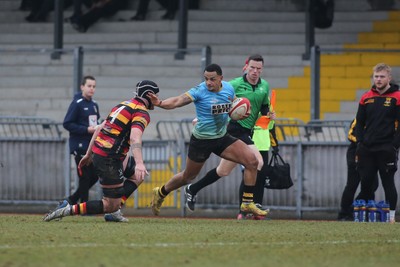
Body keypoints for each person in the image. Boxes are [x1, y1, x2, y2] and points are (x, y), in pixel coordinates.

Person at [147, 63, 268, 217]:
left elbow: (234, 105)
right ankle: (161, 192)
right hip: (201, 141)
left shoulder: (229, 89)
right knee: (188, 177)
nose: (208, 83)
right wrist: (161, 103)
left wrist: (241, 112)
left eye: (212, 79)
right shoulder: (199, 91)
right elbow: (178, 100)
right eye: (206, 79)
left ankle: (247, 203)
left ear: (221, 79)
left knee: (252, 162)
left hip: (222, 137)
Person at [43, 80, 160, 222]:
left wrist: (88, 154)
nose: (157, 100)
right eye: (156, 96)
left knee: (138, 175)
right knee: (109, 204)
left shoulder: (123, 105)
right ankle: (68, 209)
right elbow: (135, 138)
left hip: (107, 153)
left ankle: (114, 213)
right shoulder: (141, 112)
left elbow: (99, 128)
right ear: (149, 95)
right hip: (109, 158)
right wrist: (140, 163)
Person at [182, 55, 277, 219]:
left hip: (248, 132)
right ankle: (246, 206)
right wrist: (201, 119)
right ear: (245, 67)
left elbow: (262, 109)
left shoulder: (264, 86)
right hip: (234, 130)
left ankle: (193, 189)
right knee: (256, 162)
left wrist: (269, 114)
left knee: (223, 171)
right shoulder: (233, 84)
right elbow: (216, 100)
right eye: (252, 67)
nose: (255, 71)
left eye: (258, 69)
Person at [355, 63, 400, 224]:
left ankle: (391, 217)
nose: (379, 79)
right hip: (367, 148)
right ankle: (365, 216)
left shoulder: (397, 96)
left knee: (388, 183)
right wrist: (360, 142)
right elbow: (359, 122)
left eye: (382, 76)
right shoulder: (366, 97)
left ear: (389, 78)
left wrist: (394, 145)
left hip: (386, 148)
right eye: (376, 76)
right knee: (366, 182)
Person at [61, 75, 101, 214]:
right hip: (79, 146)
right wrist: (86, 130)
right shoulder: (77, 103)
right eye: (89, 86)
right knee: (84, 178)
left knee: (95, 176)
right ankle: (84, 209)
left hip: (91, 147)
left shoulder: (94, 105)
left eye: (94, 86)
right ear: (82, 87)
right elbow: (67, 123)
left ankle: (72, 199)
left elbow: (96, 123)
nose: (92, 89)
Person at [337, 119, 379, 221]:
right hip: (356, 152)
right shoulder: (359, 118)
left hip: (370, 154)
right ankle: (344, 213)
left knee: (372, 185)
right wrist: (364, 142)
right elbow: (350, 135)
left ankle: (363, 210)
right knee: (352, 184)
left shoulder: (377, 119)